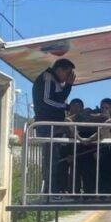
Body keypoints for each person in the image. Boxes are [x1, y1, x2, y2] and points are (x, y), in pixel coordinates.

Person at [31, 58, 76, 194]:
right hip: (47, 126)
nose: (68, 77)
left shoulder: (56, 82)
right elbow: (46, 101)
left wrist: (68, 85)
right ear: (60, 69)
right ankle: (50, 191)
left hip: (54, 126)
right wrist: (66, 106)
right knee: (50, 159)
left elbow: (60, 97)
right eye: (68, 73)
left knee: (54, 159)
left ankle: (53, 190)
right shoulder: (47, 78)